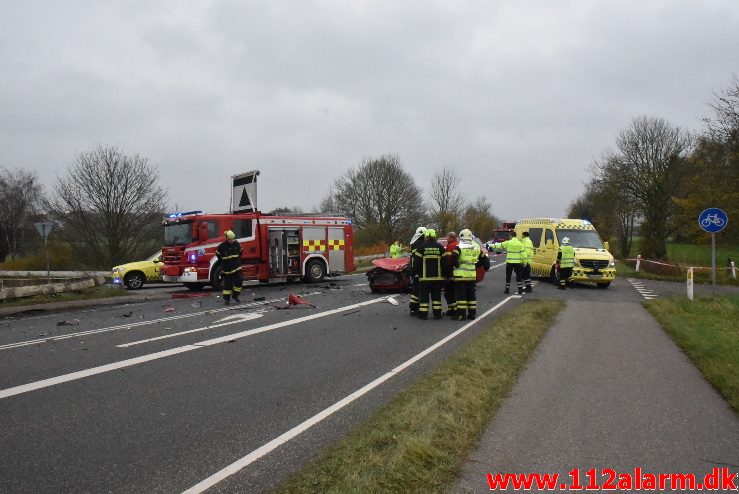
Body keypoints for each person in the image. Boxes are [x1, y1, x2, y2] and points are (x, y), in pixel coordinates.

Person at [451, 229, 490, 320]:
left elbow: (454, 258)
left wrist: (456, 264)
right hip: (471, 276)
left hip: (460, 276)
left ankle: (461, 315)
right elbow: (484, 260)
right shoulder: (475, 248)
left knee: (461, 297)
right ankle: (472, 314)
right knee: (471, 296)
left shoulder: (458, 247)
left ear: (461, 237)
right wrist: (476, 266)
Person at [413, 228, 445, 319]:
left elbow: (417, 262)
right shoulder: (440, 247)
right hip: (437, 278)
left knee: (424, 298)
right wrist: (445, 274)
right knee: (436, 298)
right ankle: (437, 314)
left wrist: (415, 273)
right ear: (434, 236)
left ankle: (423, 315)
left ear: (426, 236)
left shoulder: (421, 247)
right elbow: (445, 262)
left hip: (424, 278)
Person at [215, 230, 243, 304]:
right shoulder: (221, 246)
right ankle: (227, 299)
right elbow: (218, 255)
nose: (232, 240)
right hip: (227, 269)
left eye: (233, 238)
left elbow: (240, 253)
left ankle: (235, 295)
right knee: (228, 285)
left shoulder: (237, 244)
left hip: (236, 267)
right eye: (230, 239)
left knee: (239, 282)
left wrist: (236, 261)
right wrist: (224, 263)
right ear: (227, 238)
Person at [408, 226, 427, 316]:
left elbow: (412, 259)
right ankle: (419, 308)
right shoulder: (422, 245)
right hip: (421, 270)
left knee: (414, 291)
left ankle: (413, 308)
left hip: (414, 269)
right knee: (420, 291)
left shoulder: (413, 244)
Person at [442, 231, 459, 316]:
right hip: (456, 273)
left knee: (449, 293)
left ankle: (452, 310)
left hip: (450, 273)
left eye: (447, 237)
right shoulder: (457, 244)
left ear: (451, 237)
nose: (446, 238)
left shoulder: (451, 246)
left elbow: (448, 261)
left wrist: (446, 274)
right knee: (453, 292)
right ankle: (454, 309)